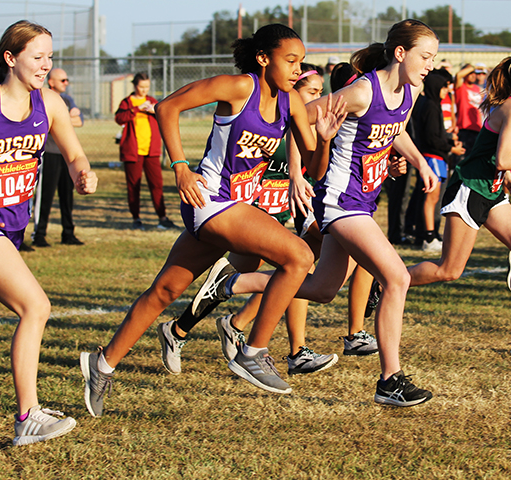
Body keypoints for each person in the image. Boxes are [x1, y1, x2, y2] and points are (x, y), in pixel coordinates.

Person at [80, 24, 346, 417]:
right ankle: (252, 351)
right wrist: (181, 167)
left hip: (235, 206)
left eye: (300, 62)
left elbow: (314, 167)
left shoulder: (290, 103)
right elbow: (166, 107)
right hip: (210, 200)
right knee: (300, 257)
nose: (297, 68)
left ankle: (101, 364)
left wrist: (323, 139)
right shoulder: (239, 88)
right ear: (263, 58)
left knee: (165, 291)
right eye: (290, 60)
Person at [189, 19, 441, 407]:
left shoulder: (412, 88)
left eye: (433, 57)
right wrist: (295, 172)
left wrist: (418, 161)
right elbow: (296, 117)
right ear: (400, 53)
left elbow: (396, 129)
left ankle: (233, 284)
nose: (430, 65)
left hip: (362, 202)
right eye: (425, 56)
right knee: (397, 278)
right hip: (339, 202)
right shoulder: (359, 93)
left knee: (323, 290)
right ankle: (390, 380)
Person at [370, 53, 511, 356]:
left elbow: (496, 156)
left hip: (490, 191)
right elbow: (502, 156)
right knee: (449, 270)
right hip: (469, 189)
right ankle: (386, 283)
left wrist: (508, 176)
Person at [0, 21, 98, 445]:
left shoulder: (50, 104)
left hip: (12, 229)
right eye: (37, 57)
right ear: (10, 58)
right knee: (36, 306)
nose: (46, 64)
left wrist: (83, 173)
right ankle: (28, 416)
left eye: (50, 57)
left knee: (32, 308)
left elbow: (74, 153)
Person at [115, 72, 177, 230]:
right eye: (141, 87)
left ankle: (162, 218)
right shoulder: (127, 102)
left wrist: (154, 111)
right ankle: (136, 219)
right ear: (135, 86)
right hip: (132, 151)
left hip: (152, 151)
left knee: (156, 184)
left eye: (147, 87)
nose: (144, 90)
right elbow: (119, 118)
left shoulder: (152, 101)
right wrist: (135, 109)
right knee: (133, 185)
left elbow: (165, 116)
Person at [413, 71, 465, 252]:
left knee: (434, 198)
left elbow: (436, 135)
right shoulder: (430, 106)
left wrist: (450, 142)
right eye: (444, 87)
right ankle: (428, 237)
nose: (446, 91)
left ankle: (431, 234)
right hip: (432, 158)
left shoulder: (432, 105)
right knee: (431, 198)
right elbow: (431, 138)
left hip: (437, 157)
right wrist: (451, 148)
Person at [32, 67, 84, 247]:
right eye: (62, 80)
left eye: (67, 80)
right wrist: (63, 119)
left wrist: (61, 119)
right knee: (45, 196)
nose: (66, 83)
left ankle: (68, 233)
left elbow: (80, 121)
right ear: (51, 81)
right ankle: (39, 235)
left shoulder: (68, 100)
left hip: (65, 155)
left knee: (67, 194)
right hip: (49, 154)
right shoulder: (41, 97)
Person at [454, 63, 483, 156]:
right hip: (464, 128)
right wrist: (473, 66)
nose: (473, 75)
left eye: (475, 73)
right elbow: (458, 75)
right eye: (470, 73)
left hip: (477, 128)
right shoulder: (461, 87)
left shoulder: (478, 89)